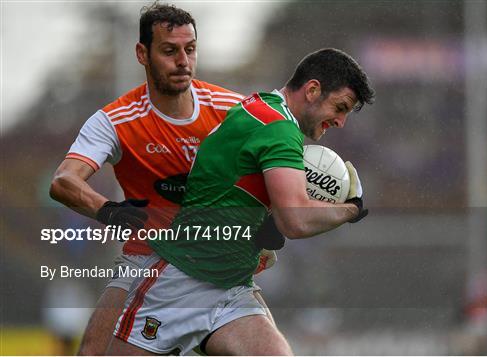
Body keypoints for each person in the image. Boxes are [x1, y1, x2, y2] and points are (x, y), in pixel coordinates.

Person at [107, 48, 375, 355]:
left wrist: (260, 223)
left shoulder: (259, 107)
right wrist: (349, 209)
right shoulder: (278, 128)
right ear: (313, 90)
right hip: (179, 281)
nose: (341, 121)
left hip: (230, 287)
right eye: (340, 107)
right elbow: (296, 220)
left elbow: (229, 186)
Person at [49, 3, 277, 355]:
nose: (182, 61)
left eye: (190, 50)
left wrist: (270, 219)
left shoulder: (233, 111)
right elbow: (64, 181)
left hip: (222, 277)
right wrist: (109, 210)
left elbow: (273, 172)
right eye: (169, 51)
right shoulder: (115, 120)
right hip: (148, 265)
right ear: (142, 53)